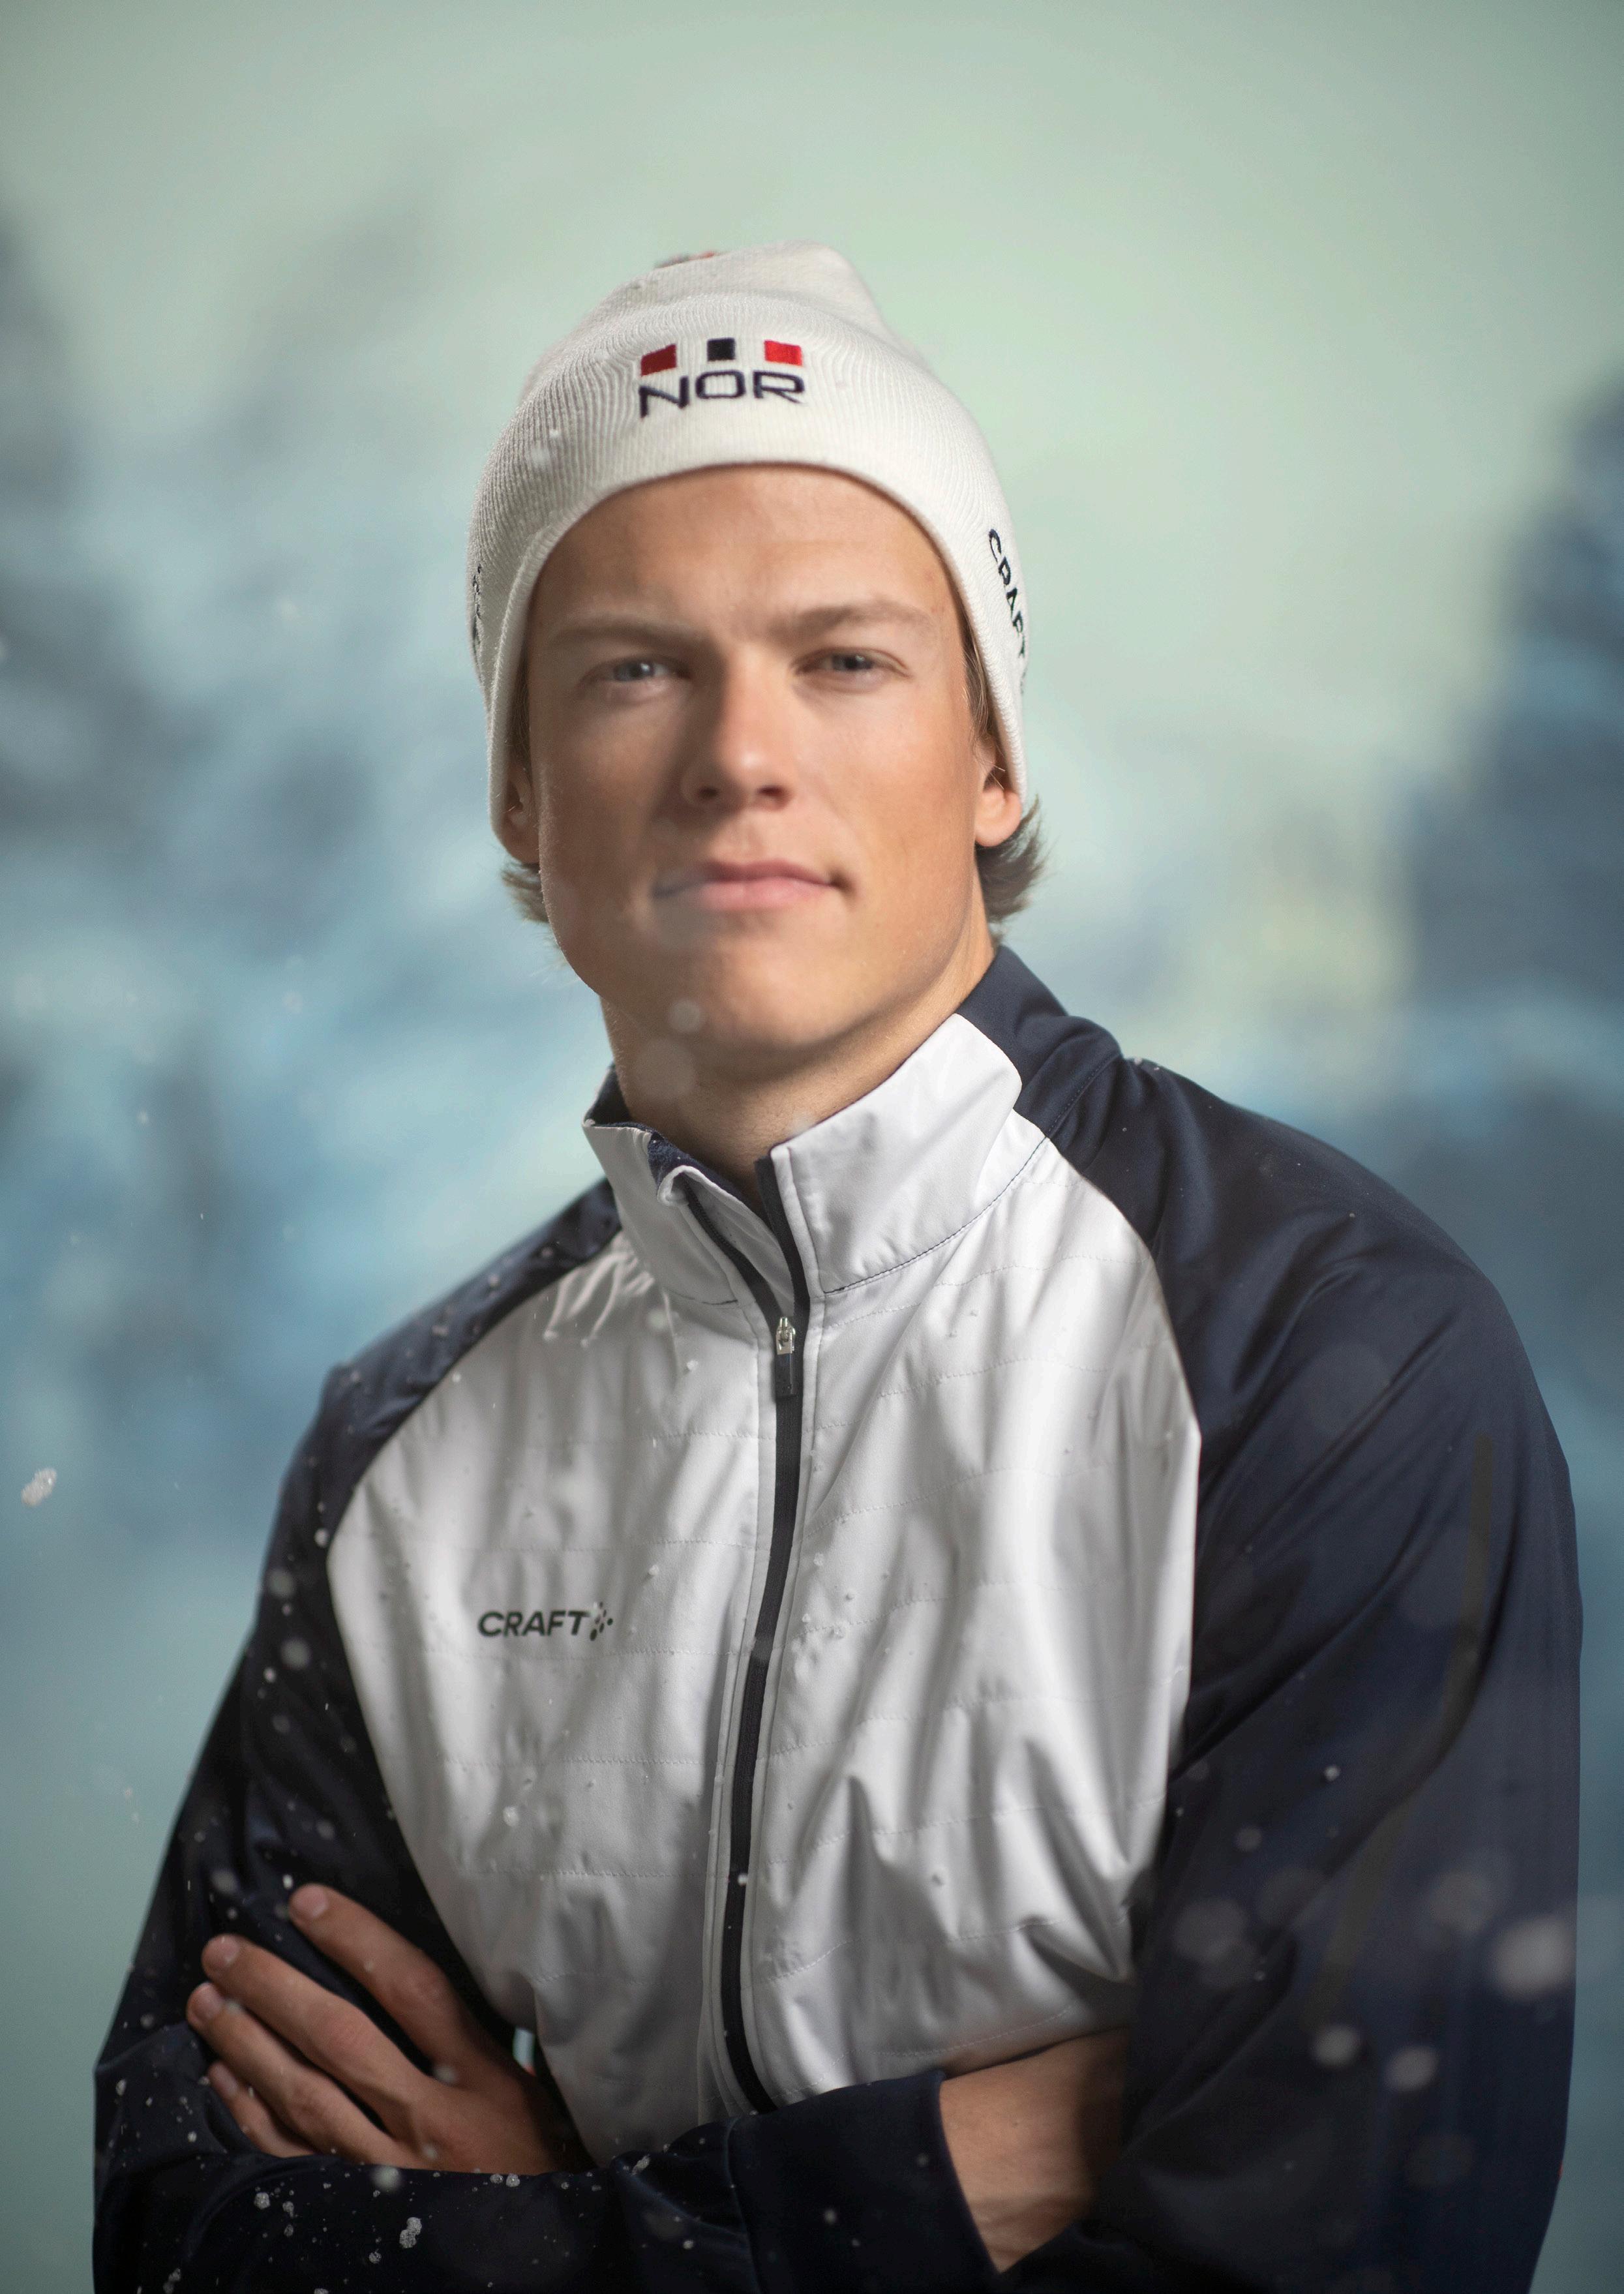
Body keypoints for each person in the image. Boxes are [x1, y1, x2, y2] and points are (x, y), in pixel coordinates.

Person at [95, 243, 1580, 2293]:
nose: (739, 755)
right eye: (634, 667)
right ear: (520, 787)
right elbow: (192, 2243)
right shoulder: (399, 1450)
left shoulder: (1321, 1357)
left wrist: (546, 2226)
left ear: (992, 757)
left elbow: (1345, 2258)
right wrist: (939, 2176)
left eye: (844, 659)